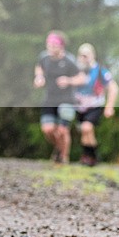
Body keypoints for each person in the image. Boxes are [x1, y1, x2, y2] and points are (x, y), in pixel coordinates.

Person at [33, 31, 86, 164]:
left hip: (67, 100)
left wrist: (68, 80)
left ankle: (64, 157)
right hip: (50, 99)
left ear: (61, 46)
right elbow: (39, 67)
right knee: (48, 129)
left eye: (53, 46)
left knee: (63, 130)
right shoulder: (44, 57)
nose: (50, 48)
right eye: (48, 45)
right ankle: (58, 148)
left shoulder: (69, 60)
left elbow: (82, 78)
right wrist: (39, 77)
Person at [74, 43, 119, 166]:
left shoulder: (100, 71)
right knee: (86, 132)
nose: (83, 58)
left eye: (86, 55)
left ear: (92, 55)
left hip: (94, 106)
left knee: (86, 128)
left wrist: (109, 106)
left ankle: (88, 157)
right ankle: (91, 157)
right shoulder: (76, 70)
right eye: (81, 55)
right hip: (79, 106)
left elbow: (113, 88)